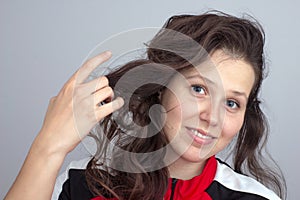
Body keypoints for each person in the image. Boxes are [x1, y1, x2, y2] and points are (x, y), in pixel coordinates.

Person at [5, 11, 286, 200]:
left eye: (232, 103)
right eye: (198, 89)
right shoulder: (80, 181)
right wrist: (48, 147)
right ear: (160, 87)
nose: (212, 117)